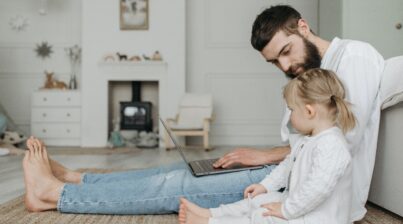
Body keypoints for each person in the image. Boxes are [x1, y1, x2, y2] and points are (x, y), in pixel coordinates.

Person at [22, 5, 384, 220]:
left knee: (176, 186)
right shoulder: (308, 75)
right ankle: (76, 179)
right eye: (275, 61)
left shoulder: (355, 56)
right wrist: (263, 158)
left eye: (287, 51)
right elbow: (302, 141)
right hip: (284, 170)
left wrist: (265, 156)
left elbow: (342, 141)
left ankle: (54, 196)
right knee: (177, 169)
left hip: (304, 188)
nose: (285, 65)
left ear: (303, 27)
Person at [178, 68, 356, 224]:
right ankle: (210, 213)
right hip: (297, 204)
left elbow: (317, 189)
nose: (290, 116)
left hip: (318, 219)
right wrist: (265, 186)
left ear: (309, 111)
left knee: (263, 216)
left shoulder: (331, 145)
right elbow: (287, 166)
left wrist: (286, 210)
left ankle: (210, 222)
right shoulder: (308, 138)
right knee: (258, 200)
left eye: (291, 109)